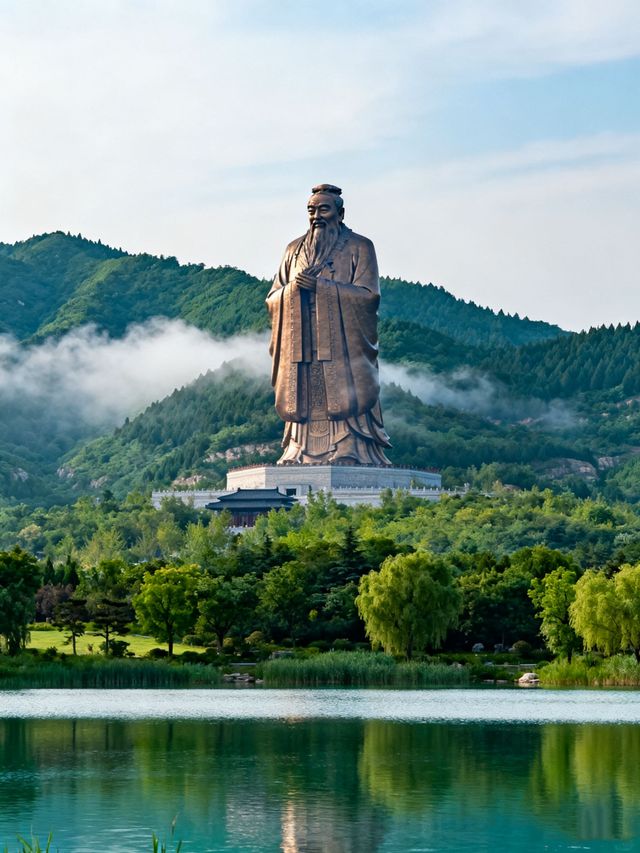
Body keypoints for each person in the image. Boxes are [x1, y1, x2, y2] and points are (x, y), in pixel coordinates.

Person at [267, 184, 391, 465]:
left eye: (324, 209)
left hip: (341, 340)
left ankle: (349, 445)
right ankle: (298, 449)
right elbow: (273, 296)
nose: (316, 217)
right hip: (301, 336)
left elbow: (369, 296)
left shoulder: (360, 247)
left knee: (342, 387)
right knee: (303, 390)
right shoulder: (293, 250)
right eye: (311, 210)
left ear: (340, 213)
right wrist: (292, 293)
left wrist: (322, 288)